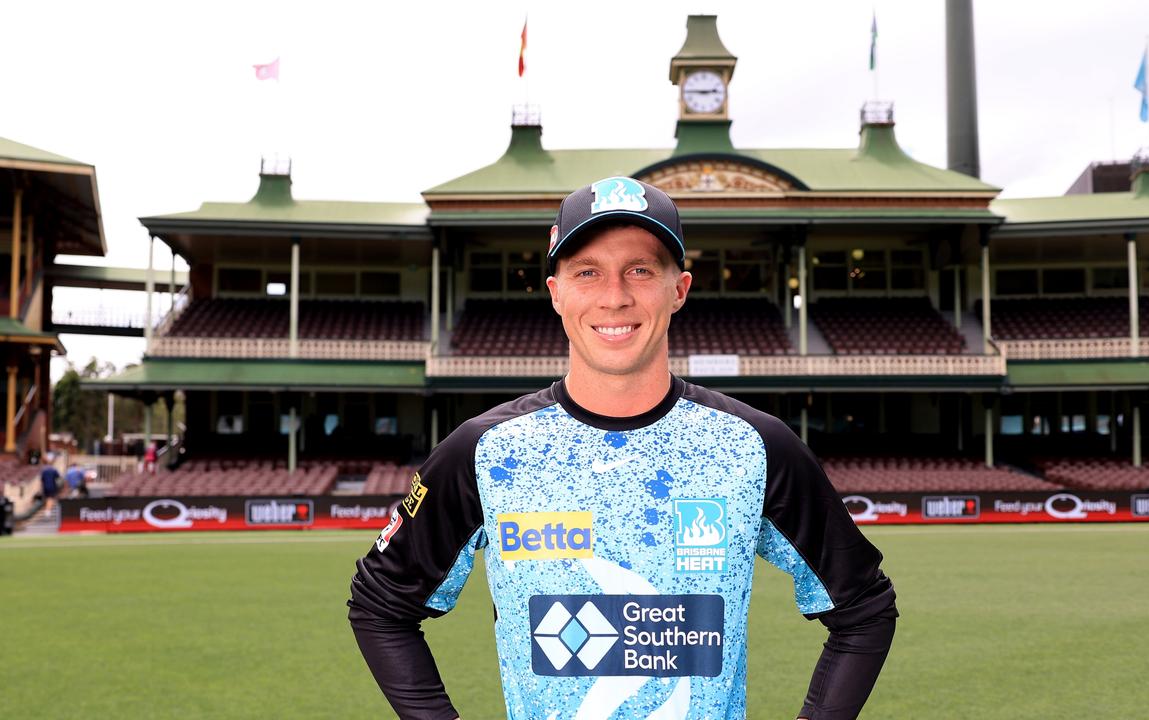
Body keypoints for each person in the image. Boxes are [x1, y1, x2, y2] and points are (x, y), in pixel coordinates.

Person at [349, 177, 897, 719]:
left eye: (640, 270)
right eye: (587, 272)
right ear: (556, 292)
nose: (615, 296)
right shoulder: (484, 450)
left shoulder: (754, 445)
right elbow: (380, 605)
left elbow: (864, 607)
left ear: (678, 289)